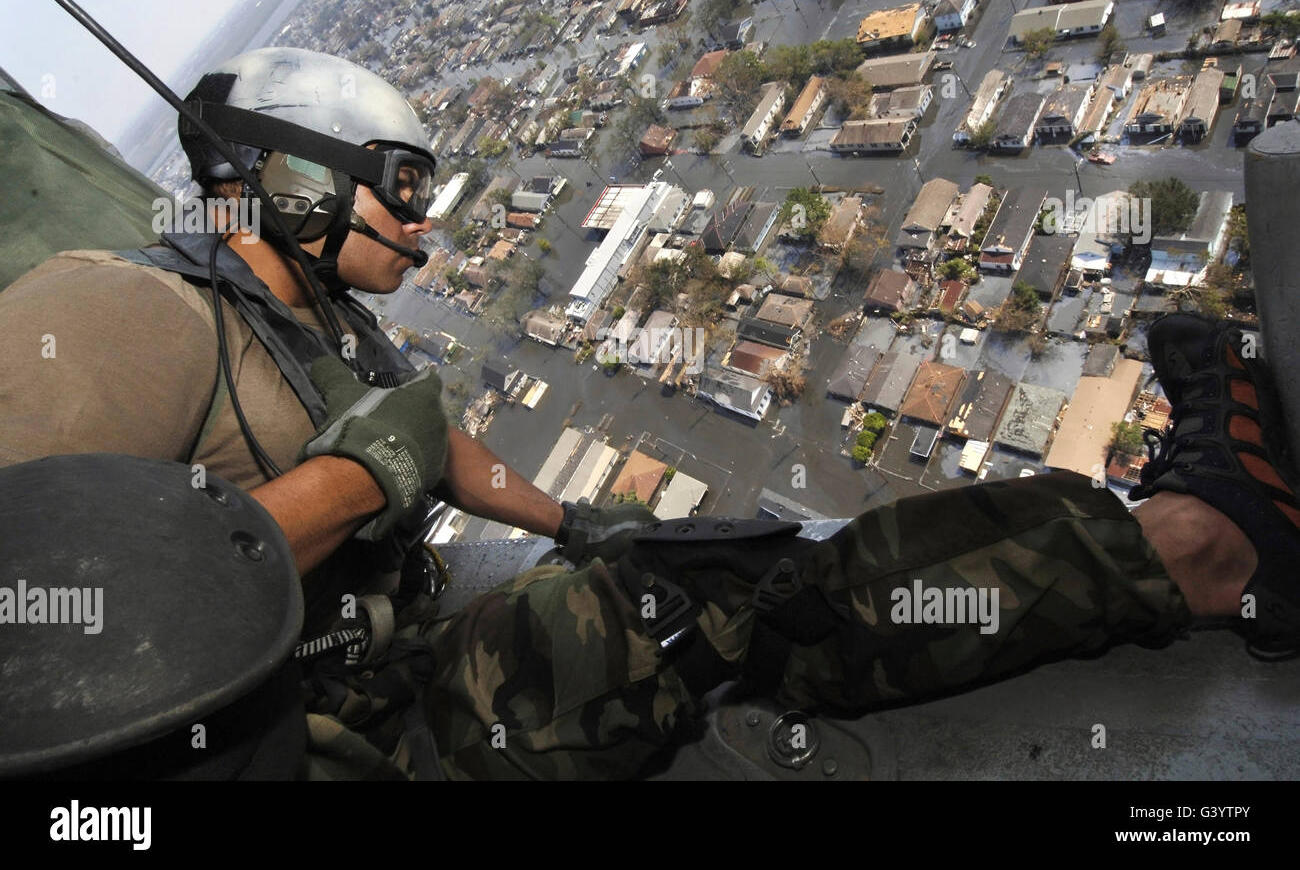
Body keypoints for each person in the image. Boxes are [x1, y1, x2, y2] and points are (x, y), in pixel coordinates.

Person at [1, 48, 1297, 780]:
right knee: (714, 603)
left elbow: (423, 441)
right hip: (333, 745)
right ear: (286, 179)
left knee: (683, 562)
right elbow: (47, 620)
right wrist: (347, 485)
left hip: (374, 671)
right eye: (400, 186)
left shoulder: (313, 317)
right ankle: (1202, 544)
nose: (425, 220)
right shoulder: (128, 314)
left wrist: (579, 521)